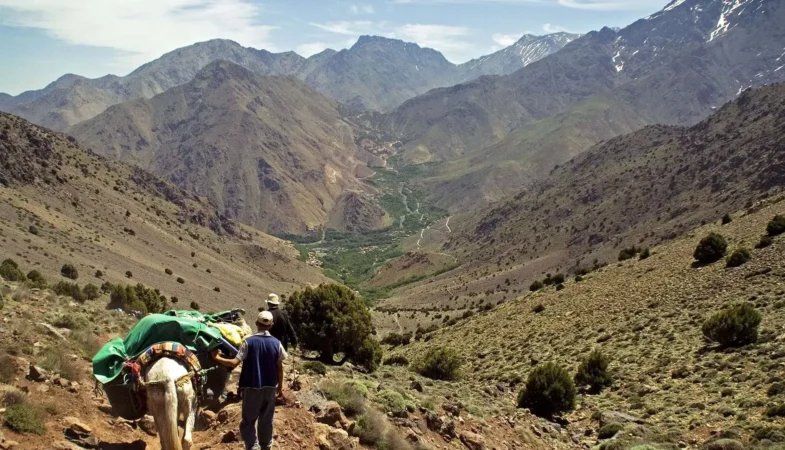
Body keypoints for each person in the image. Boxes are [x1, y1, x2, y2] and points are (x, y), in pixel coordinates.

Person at [212, 311, 287, 450]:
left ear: (257, 323)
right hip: (270, 387)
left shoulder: (248, 342)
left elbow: (234, 363)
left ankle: (253, 446)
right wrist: (280, 387)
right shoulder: (277, 344)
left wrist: (217, 358)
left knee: (248, 421)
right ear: (271, 325)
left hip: (252, 386)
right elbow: (280, 368)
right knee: (266, 420)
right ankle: (266, 446)